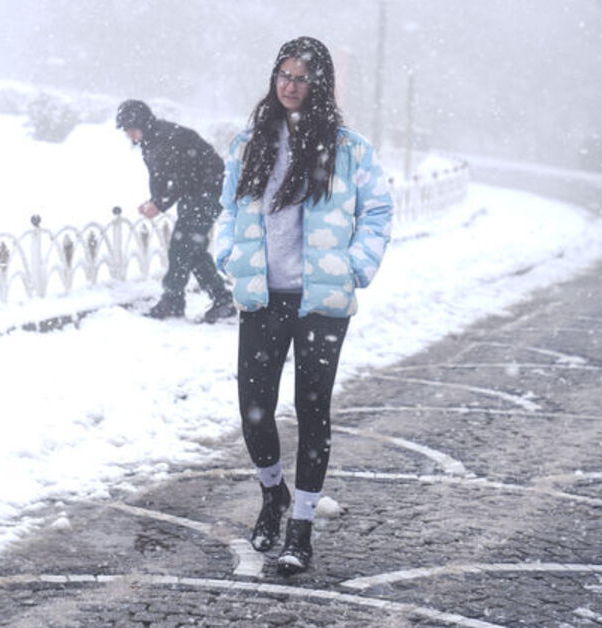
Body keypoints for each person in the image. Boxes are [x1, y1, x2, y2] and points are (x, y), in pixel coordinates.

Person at [214, 36, 392, 575]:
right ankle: (274, 495)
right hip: (262, 298)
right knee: (255, 412)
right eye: (283, 75)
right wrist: (228, 255)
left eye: (301, 78)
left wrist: (355, 266)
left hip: (320, 303)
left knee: (313, 412)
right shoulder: (249, 143)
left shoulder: (349, 148)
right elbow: (227, 210)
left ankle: (301, 530)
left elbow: (378, 212)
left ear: (319, 86)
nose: (290, 86)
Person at [116, 100, 236, 322]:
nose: (129, 135)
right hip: (198, 193)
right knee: (194, 250)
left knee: (181, 247)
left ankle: (173, 300)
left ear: (141, 124)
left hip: (207, 192)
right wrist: (155, 200)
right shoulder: (153, 140)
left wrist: (159, 204)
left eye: (130, 129)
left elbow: (180, 176)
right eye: (126, 131)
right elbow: (161, 177)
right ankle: (222, 300)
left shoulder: (165, 139)